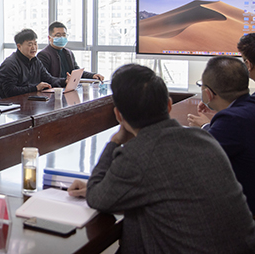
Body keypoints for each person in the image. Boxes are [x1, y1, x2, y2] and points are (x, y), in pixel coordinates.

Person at [67, 64, 255, 253]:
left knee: (137, 218)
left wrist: (114, 142)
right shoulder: (204, 138)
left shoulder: (137, 154)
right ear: (169, 105)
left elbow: (97, 198)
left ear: (118, 115)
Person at [186, 56, 255, 214]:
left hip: (245, 212)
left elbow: (196, 160)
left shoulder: (231, 120)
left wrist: (205, 127)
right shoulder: (249, 106)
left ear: (208, 94)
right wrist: (208, 126)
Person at [0, 28, 65, 98]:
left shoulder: (35, 61)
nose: (34, 47)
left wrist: (65, 81)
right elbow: (10, 91)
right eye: (30, 44)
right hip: (11, 103)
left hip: (31, 100)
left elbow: (49, 79)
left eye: (35, 44)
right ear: (19, 46)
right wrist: (35, 88)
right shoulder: (10, 64)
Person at [37, 22, 104, 81]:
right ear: (49, 38)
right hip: (55, 89)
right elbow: (46, 78)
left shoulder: (68, 53)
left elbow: (76, 71)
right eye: (58, 35)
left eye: (64, 35)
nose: (62, 38)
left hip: (69, 87)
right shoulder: (43, 55)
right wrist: (64, 81)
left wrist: (93, 75)